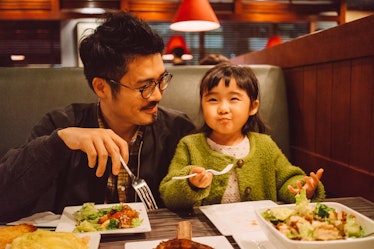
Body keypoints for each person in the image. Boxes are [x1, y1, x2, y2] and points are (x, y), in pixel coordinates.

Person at [0, 11, 195, 222]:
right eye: (145, 86)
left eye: (161, 80)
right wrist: (59, 143)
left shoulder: (177, 129)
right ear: (101, 88)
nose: (157, 95)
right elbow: (6, 200)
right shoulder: (61, 125)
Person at [159, 62, 325, 210]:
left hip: (257, 230)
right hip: (209, 233)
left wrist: (303, 189)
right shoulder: (189, 145)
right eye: (213, 100)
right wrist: (190, 184)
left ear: (253, 107)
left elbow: (287, 180)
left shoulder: (264, 145)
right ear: (202, 105)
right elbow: (168, 193)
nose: (223, 108)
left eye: (233, 99)